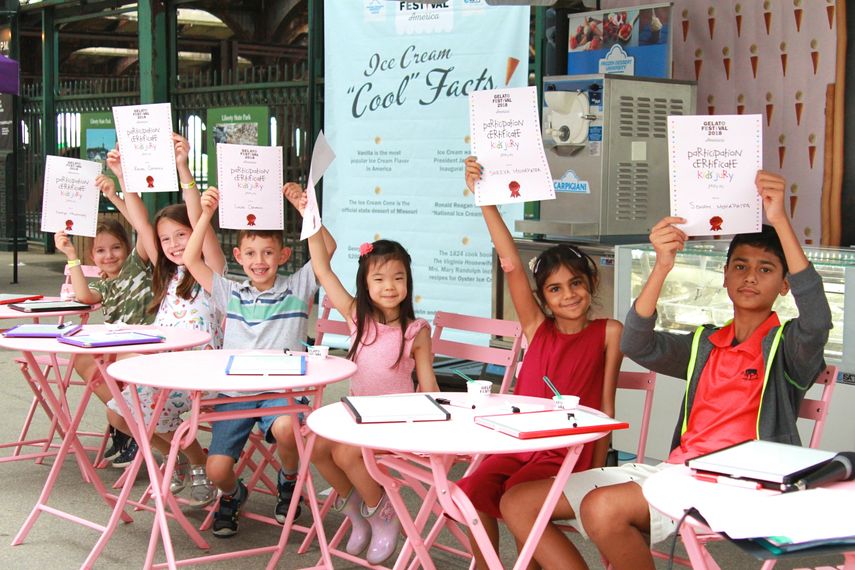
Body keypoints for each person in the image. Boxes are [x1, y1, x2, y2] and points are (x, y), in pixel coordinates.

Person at [498, 171, 832, 570]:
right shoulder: (704, 344)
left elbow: (817, 319)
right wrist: (662, 265)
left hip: (740, 485)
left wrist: (779, 220)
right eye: (741, 266)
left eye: (765, 269)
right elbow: (636, 342)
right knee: (517, 502)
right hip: (678, 472)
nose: (750, 277)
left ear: (784, 284)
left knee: (602, 508)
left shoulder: (788, 349)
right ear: (725, 275)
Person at [451, 158, 623, 568]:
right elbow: (510, 263)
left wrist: (596, 471)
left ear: (591, 283)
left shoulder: (609, 332)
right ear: (543, 298)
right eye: (555, 289)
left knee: (516, 497)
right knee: (469, 490)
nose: (568, 295)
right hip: (520, 443)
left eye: (575, 283)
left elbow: (606, 405)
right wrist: (485, 200)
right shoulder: (536, 327)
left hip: (567, 452)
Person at [182, 183, 336, 538]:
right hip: (235, 393)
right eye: (250, 253)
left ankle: (289, 480)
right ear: (238, 256)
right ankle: (233, 495)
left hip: (281, 390)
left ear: (283, 255)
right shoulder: (230, 292)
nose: (259, 261)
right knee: (217, 470)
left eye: (268, 253)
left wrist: (304, 211)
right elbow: (191, 260)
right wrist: (206, 215)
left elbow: (328, 249)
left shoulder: (297, 287)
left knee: (285, 428)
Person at [306, 222, 439, 565]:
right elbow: (322, 269)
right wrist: (308, 215)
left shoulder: (416, 330)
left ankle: (383, 513)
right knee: (315, 447)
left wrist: (439, 425)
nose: (389, 286)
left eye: (398, 278)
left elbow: (429, 386)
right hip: (357, 418)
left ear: (408, 282)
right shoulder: (357, 317)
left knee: (346, 454)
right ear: (365, 284)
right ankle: (357, 512)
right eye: (378, 279)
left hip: (394, 423)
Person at [104, 134, 222, 508]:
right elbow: (141, 224)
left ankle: (198, 465)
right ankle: (188, 458)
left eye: (181, 235)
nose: (173, 244)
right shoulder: (167, 273)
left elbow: (198, 221)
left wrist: (184, 169)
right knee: (121, 410)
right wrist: (123, 178)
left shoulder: (209, 271)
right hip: (165, 367)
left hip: (202, 372)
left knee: (148, 408)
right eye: (166, 239)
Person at [53, 173, 155, 462]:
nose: (109, 255)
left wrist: (113, 195)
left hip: (146, 342)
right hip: (118, 345)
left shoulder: (137, 265)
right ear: (92, 256)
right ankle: (125, 419)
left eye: (115, 247)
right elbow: (85, 296)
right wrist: (71, 255)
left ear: (127, 248)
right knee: (82, 360)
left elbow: (142, 226)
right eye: (100, 251)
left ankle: (129, 425)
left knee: (118, 366)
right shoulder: (102, 284)